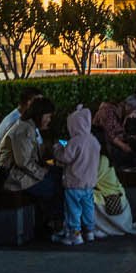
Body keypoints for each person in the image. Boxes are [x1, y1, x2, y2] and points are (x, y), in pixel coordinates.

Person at [0, 96, 62, 224]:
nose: (49, 120)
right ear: (40, 114)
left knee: (61, 175)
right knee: (56, 185)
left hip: (22, 173)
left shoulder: (30, 128)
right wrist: (43, 173)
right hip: (13, 177)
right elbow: (24, 163)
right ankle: (56, 223)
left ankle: (57, 221)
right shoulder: (24, 130)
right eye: (48, 116)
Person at [51, 105, 101, 246]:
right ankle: (90, 232)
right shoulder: (93, 140)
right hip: (89, 183)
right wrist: (65, 143)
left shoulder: (74, 142)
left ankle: (75, 235)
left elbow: (65, 157)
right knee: (88, 208)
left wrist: (57, 149)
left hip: (74, 184)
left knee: (73, 210)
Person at [92, 154, 136, 236]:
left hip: (109, 197)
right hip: (104, 193)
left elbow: (91, 181)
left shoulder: (102, 159)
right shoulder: (95, 158)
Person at [0, 87, 41, 166]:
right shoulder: (16, 123)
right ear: (29, 103)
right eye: (39, 103)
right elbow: (21, 159)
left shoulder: (27, 119)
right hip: (8, 172)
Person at [93, 96, 136, 169]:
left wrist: (129, 138)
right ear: (129, 107)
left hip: (113, 141)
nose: (135, 116)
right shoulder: (108, 111)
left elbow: (120, 132)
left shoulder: (123, 113)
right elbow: (110, 135)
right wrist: (124, 146)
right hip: (103, 143)